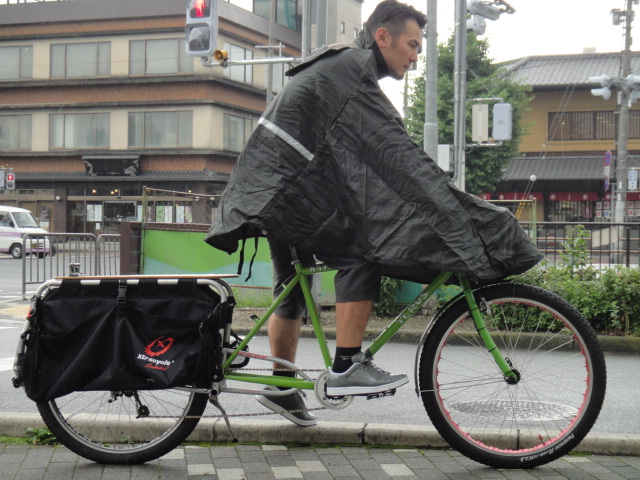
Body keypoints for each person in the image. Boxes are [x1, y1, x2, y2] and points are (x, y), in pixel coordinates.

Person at [205, 0, 542, 427]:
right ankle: (347, 365)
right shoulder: (353, 71)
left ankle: (281, 387)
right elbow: (397, 154)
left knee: (291, 286)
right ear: (383, 36)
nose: (416, 56)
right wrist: (461, 210)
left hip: (269, 188)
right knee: (360, 252)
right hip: (282, 190)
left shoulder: (347, 64)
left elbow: (372, 154)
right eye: (413, 45)